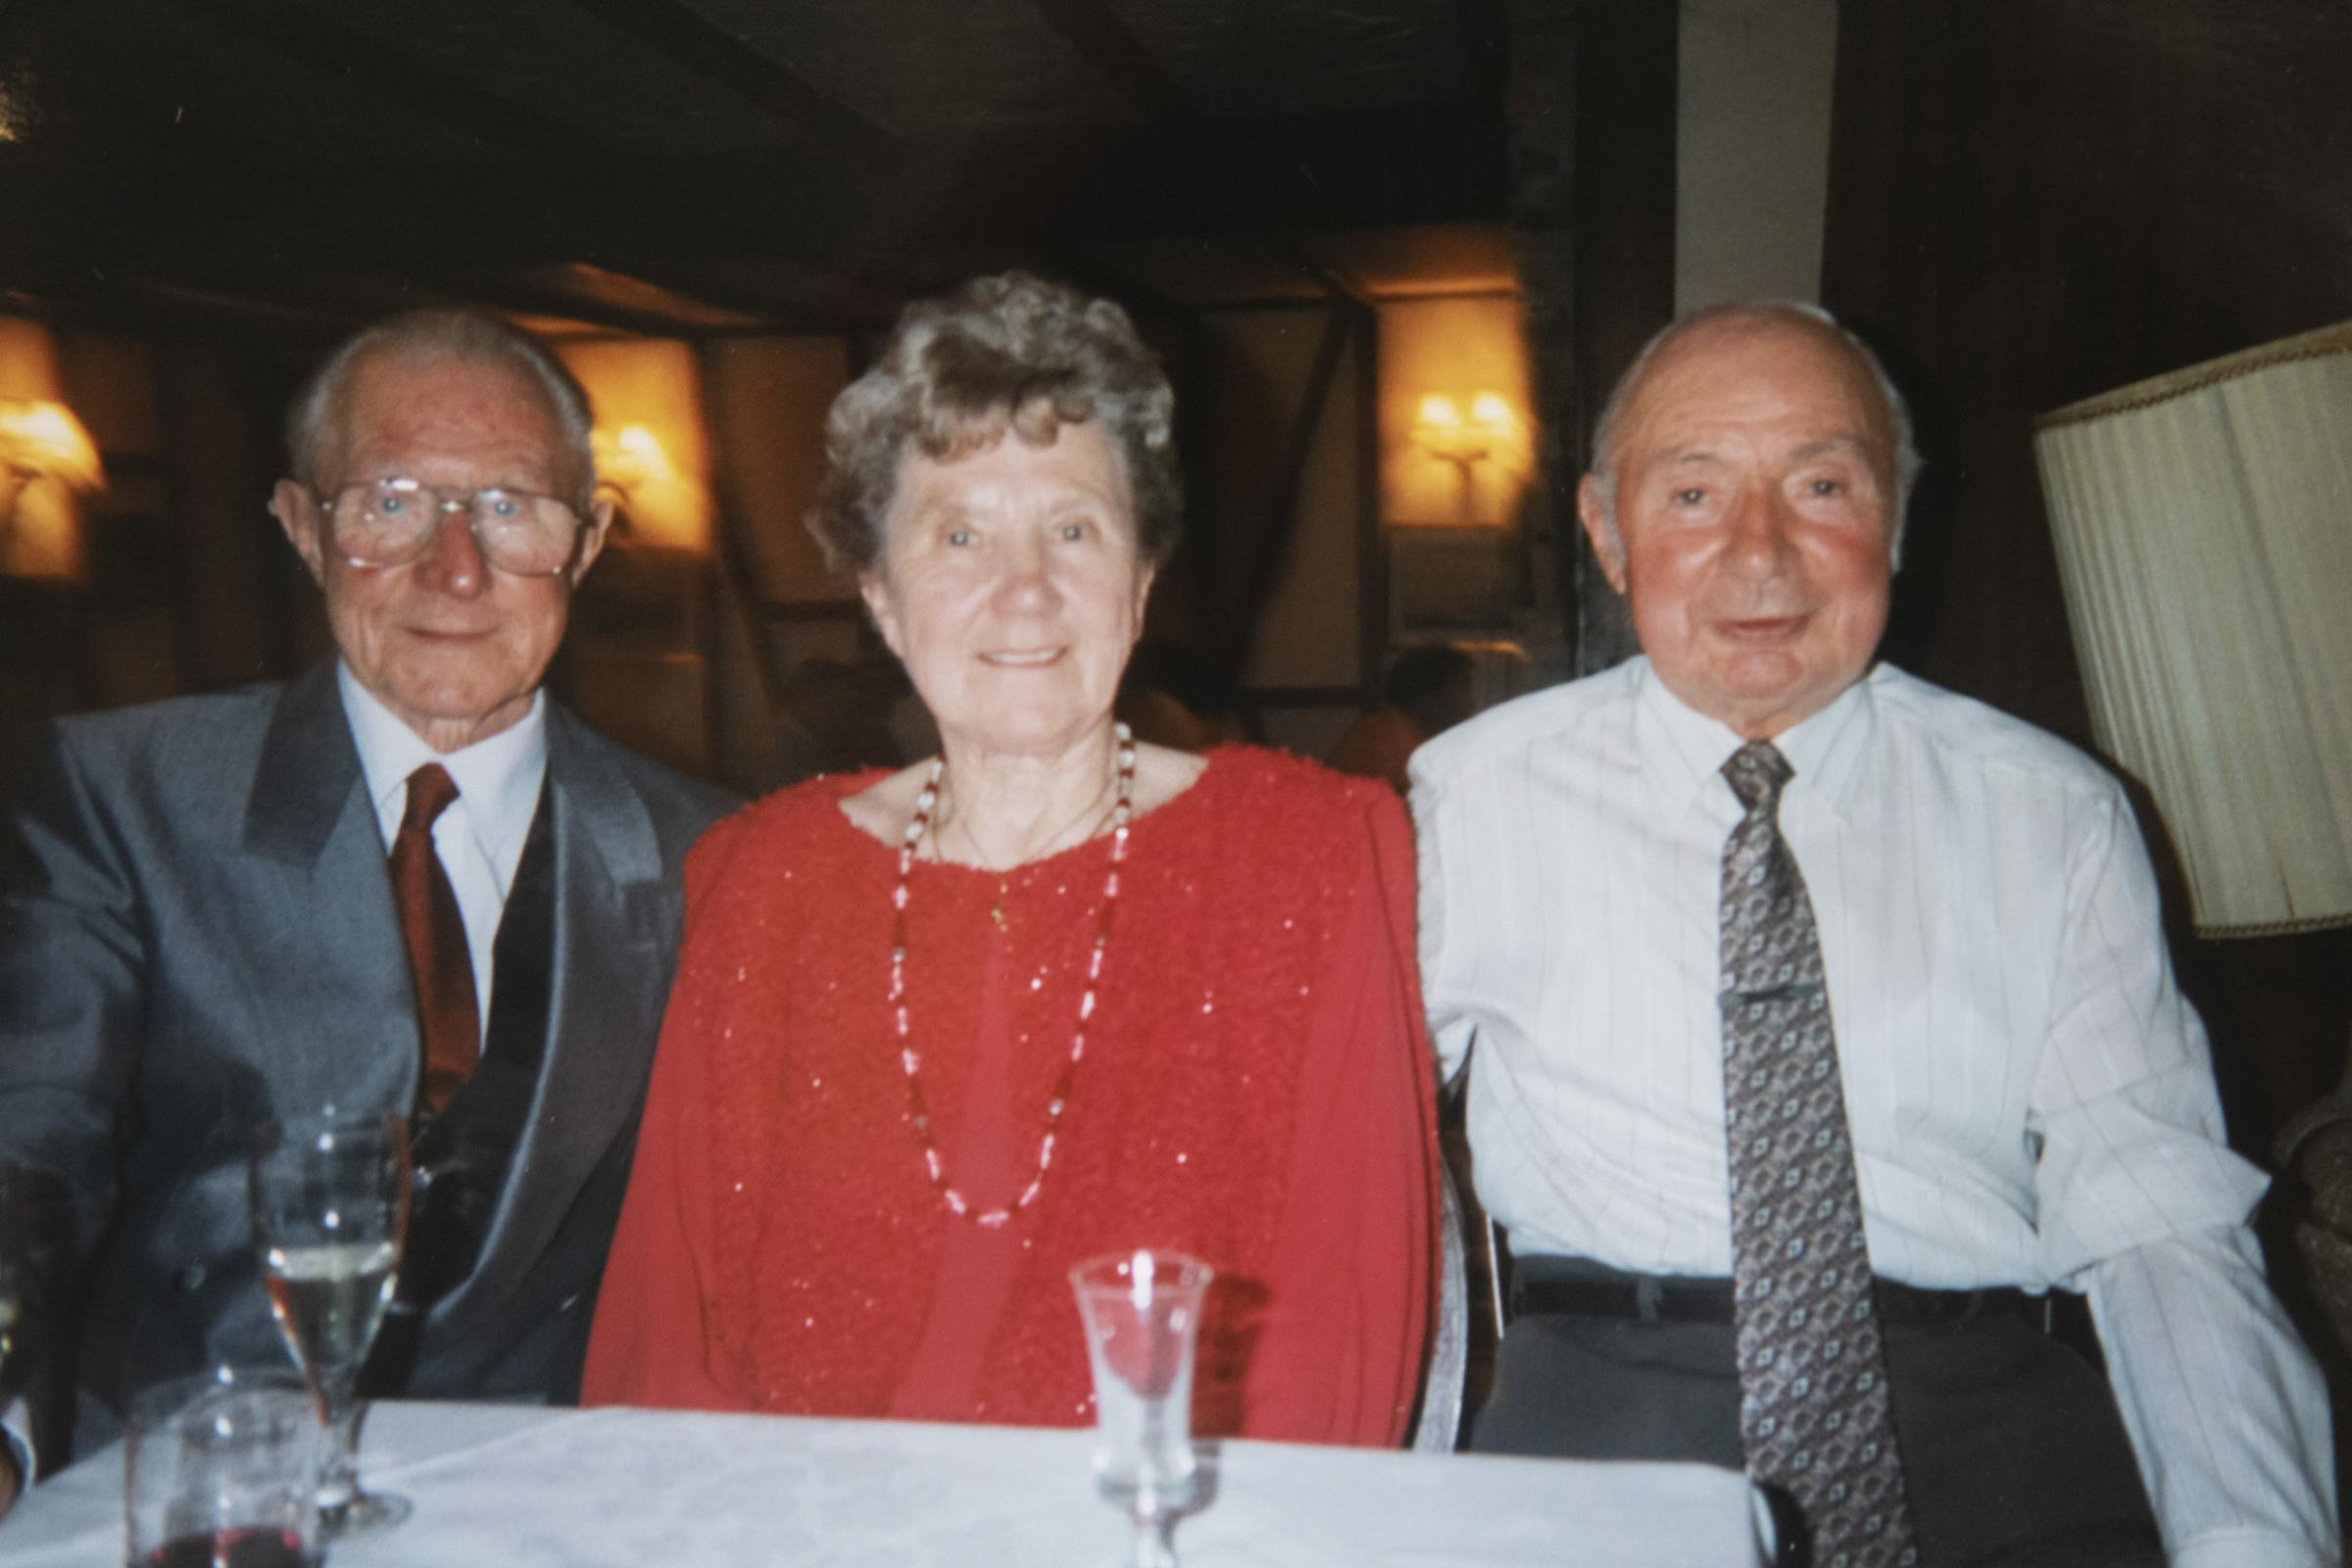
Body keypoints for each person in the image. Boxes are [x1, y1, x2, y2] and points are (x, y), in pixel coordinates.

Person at [1412, 303, 2338, 1566]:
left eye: (1822, 485)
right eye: (1692, 494)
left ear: (1896, 519)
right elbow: (1318, 1163)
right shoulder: (1465, 801)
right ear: (1604, 531)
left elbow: (2161, 1224)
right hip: (1604, 1444)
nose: (1760, 554)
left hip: (1999, 1444)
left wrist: (2252, 1544)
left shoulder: (2051, 815)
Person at [584, 273, 1438, 1446]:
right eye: (961, 533)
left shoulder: (1316, 856)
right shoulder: (759, 879)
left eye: (1075, 529)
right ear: (882, 598)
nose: (1026, 589)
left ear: (1140, 584)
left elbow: (1337, 1345)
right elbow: (662, 1351)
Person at [0, 310, 736, 1504]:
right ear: (303, 527)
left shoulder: (706, 847)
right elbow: (26, 1152)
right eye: (391, 503)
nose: (457, 569)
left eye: (509, 507)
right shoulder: (128, 795)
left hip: (540, 1503)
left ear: (588, 541)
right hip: (196, 1484)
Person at [1328, 644, 1479, 794]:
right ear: (1434, 690)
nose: (1471, 702)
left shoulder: (1414, 728)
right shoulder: (1385, 734)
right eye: (1464, 685)